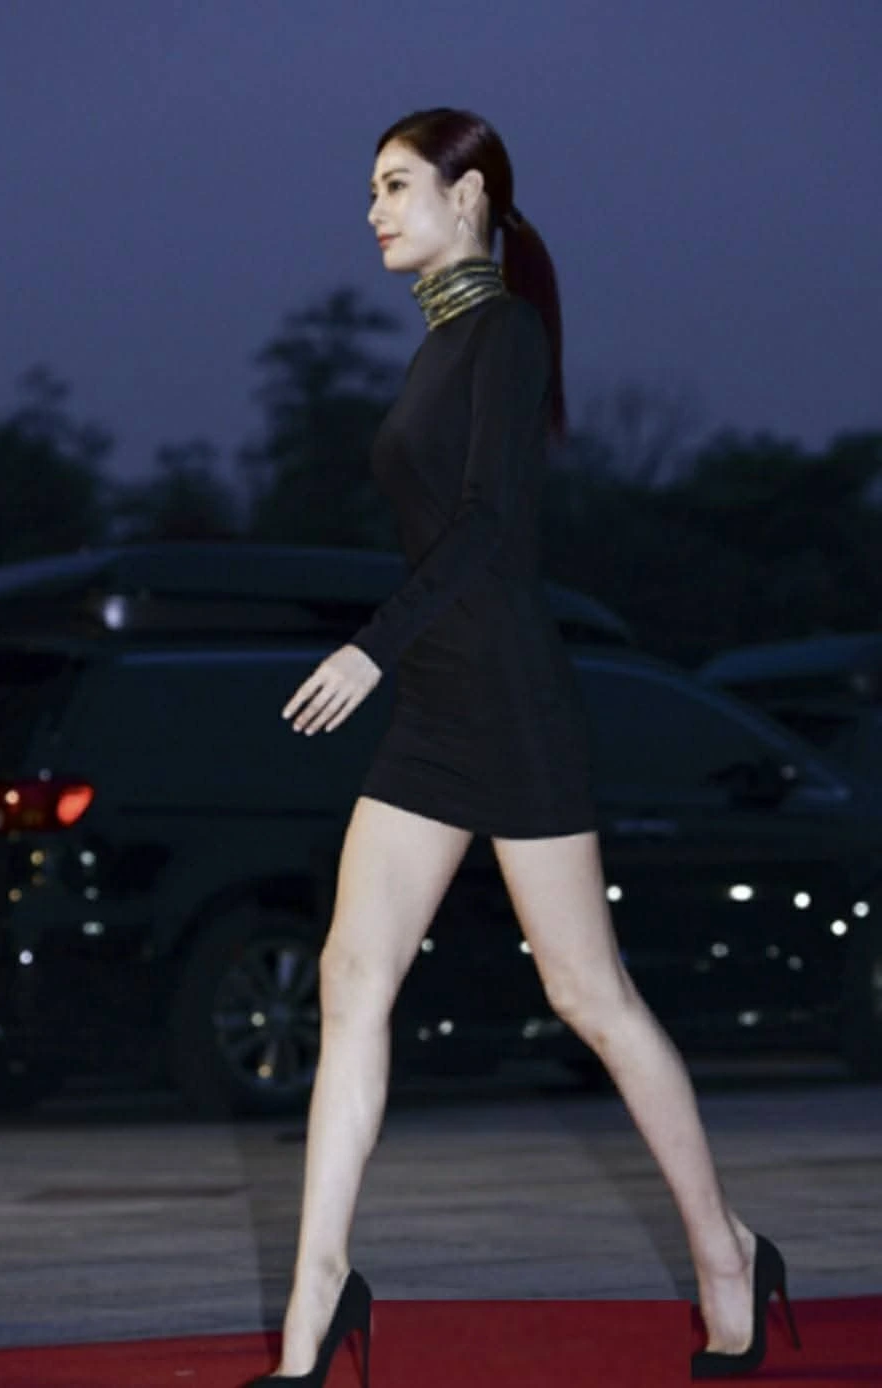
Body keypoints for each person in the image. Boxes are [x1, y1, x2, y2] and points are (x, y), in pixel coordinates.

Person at [245, 107, 801, 1386]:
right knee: (350, 976)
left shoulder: (505, 334)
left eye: (395, 185)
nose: (373, 211)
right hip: (433, 712)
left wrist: (368, 647)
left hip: (510, 701)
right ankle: (317, 1300)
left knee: (588, 996)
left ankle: (727, 1251)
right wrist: (397, 659)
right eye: (371, 190)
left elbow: (491, 529)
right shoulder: (437, 344)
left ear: (470, 194)